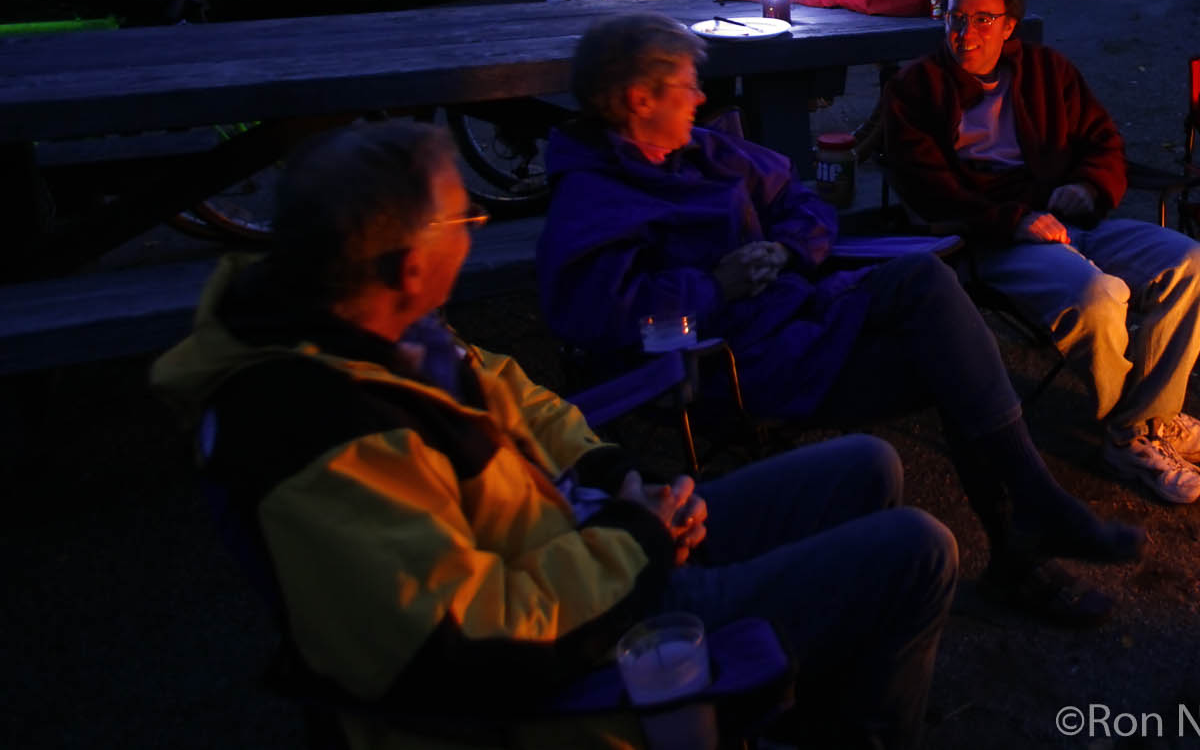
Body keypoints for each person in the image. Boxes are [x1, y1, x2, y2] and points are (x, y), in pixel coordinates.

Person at [150, 120, 957, 749]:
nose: (471, 227)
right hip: (597, 654)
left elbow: (522, 397)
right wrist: (635, 539)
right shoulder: (319, 438)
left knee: (867, 465)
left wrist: (611, 473)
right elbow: (471, 642)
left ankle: (798, 707)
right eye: (461, 215)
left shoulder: (376, 321)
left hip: (588, 545)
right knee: (917, 550)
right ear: (404, 265)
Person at [536, 13, 1145, 627]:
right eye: (688, 86)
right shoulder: (595, 196)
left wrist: (788, 250)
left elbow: (801, 201)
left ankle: (1029, 529)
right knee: (954, 358)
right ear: (641, 99)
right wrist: (711, 286)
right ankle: (1028, 540)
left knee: (934, 298)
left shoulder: (705, 150)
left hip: (805, 317)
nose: (701, 96)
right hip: (731, 365)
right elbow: (596, 319)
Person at [881, 0, 1200, 505]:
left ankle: (1143, 422)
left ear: (1009, 25)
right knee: (1099, 295)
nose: (966, 33)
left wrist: (1089, 188)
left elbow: (1103, 142)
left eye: (983, 19)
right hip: (993, 238)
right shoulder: (918, 89)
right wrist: (1015, 219)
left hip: (1072, 221)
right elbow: (928, 190)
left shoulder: (1047, 73)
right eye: (955, 18)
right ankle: (1136, 434)